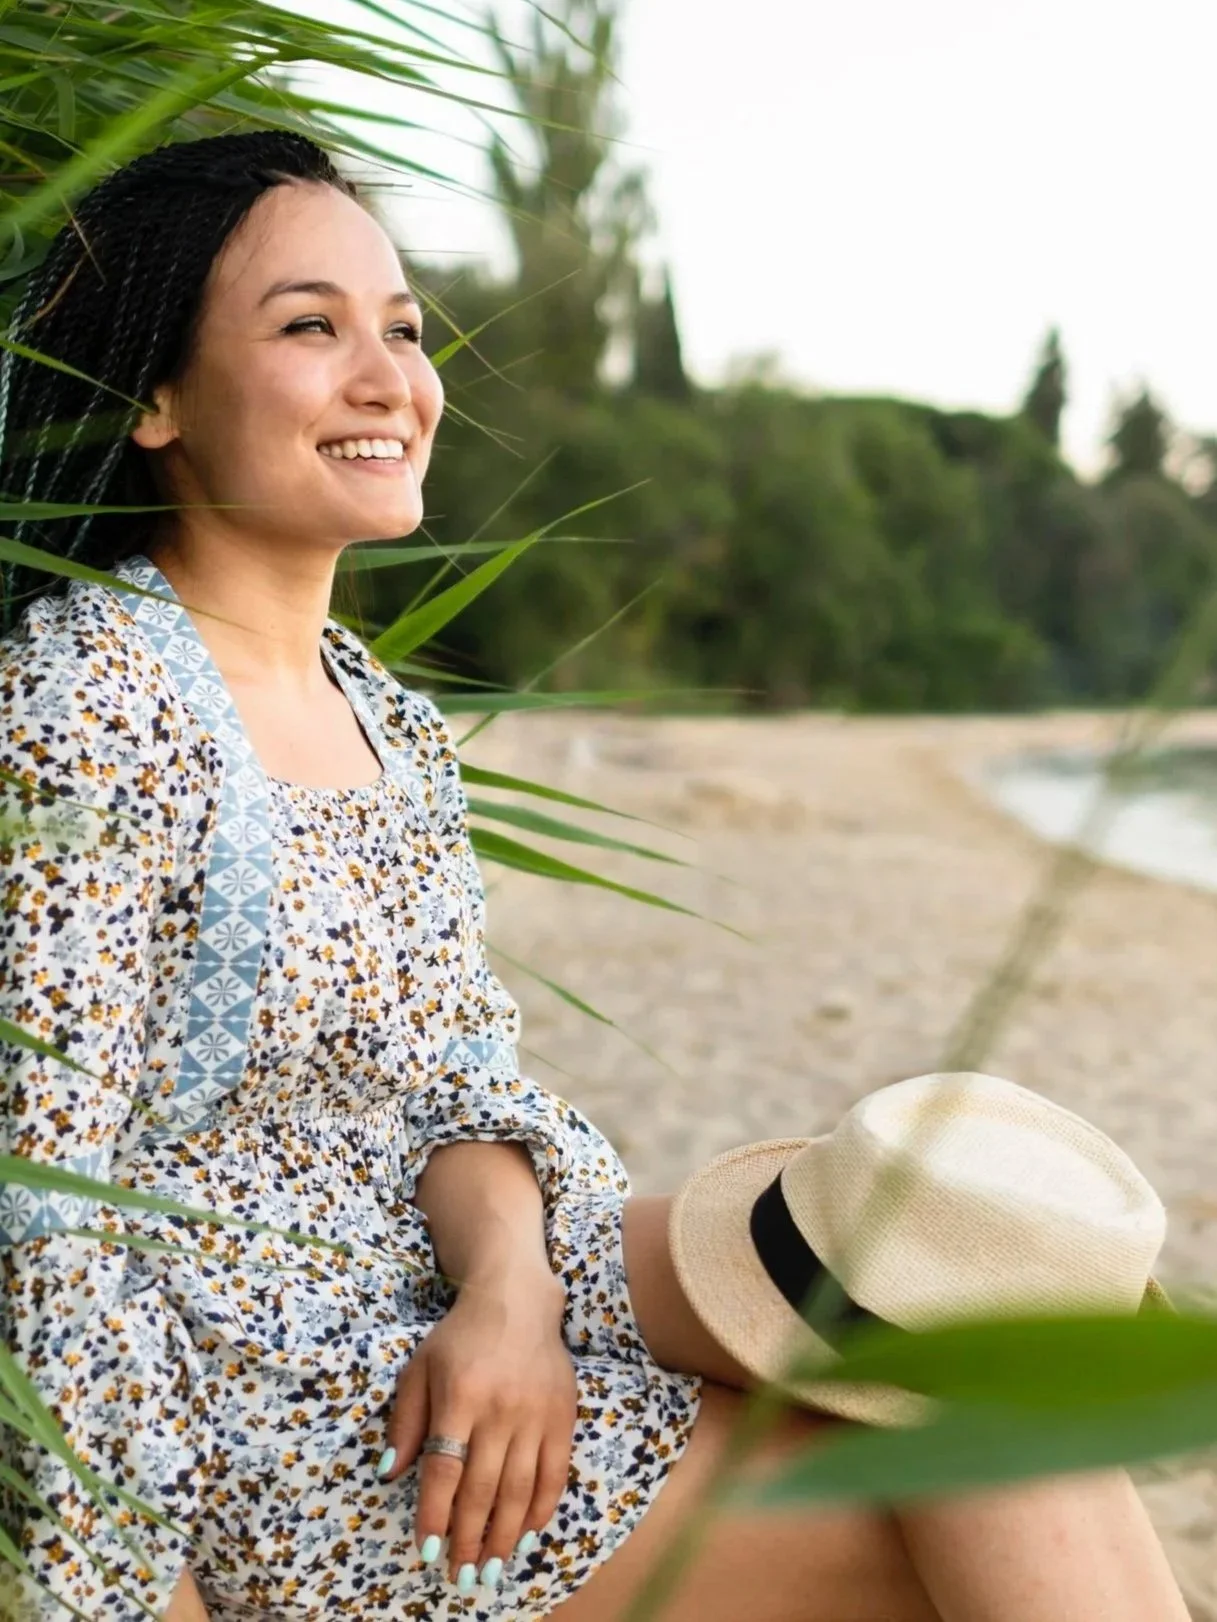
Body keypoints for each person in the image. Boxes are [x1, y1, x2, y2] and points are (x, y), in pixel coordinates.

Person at [0, 130, 1190, 1622]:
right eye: (311, 326)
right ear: (155, 398)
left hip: (442, 1266)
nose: (390, 378)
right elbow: (43, 1215)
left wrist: (513, 1298)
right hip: (262, 1392)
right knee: (997, 1457)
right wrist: (133, 1583)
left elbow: (458, 1085)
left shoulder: (386, 720)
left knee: (962, 1323)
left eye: (405, 329)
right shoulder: (86, 704)